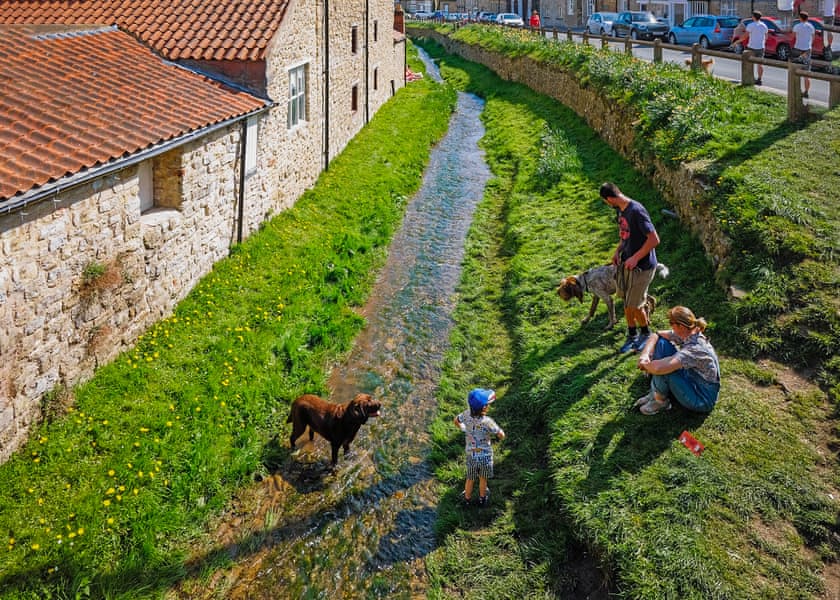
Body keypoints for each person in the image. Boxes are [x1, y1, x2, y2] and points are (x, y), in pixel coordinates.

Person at [599, 182, 661, 353]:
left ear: (610, 198)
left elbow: (654, 240)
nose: (608, 204)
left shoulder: (637, 211)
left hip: (642, 267)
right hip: (626, 263)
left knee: (631, 304)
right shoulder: (621, 210)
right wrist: (618, 250)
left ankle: (637, 335)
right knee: (630, 300)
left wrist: (635, 257)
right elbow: (625, 235)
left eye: (606, 201)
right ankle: (641, 333)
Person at [635, 306, 721, 415]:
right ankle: (655, 393)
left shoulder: (695, 350)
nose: (670, 326)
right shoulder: (689, 332)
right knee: (662, 343)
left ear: (680, 325)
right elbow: (656, 334)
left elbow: (659, 368)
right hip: (692, 380)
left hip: (702, 398)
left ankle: (660, 402)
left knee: (665, 370)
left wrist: (645, 365)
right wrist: (645, 355)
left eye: (671, 323)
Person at [454, 388, 505, 507]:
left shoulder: (465, 415)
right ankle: (482, 499)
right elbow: (501, 434)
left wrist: (464, 429)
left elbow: (456, 421)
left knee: (470, 479)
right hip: (485, 457)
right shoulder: (488, 422)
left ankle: (466, 499)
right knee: (483, 480)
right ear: (484, 408)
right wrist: (500, 435)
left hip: (471, 456)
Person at [740, 11, 769, 85]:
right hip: (761, 47)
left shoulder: (750, 25)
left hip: (751, 46)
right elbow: (766, 37)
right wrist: (763, 43)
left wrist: (738, 41)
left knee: (748, 62)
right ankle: (759, 79)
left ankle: (749, 78)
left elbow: (745, 36)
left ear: (753, 17)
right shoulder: (764, 25)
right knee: (760, 64)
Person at [792, 11, 815, 98]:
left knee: (795, 69)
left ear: (800, 18)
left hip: (798, 48)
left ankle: (796, 90)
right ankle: (806, 92)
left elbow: (793, 36)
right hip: (807, 49)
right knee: (806, 72)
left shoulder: (797, 26)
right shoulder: (811, 27)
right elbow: (813, 38)